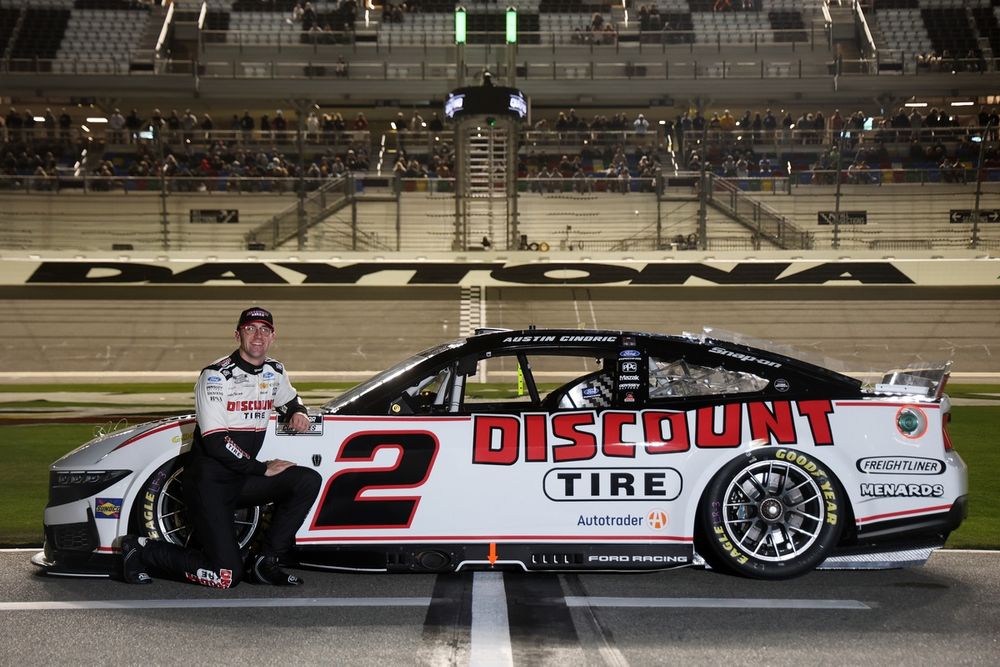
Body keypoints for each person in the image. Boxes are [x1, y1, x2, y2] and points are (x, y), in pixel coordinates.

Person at [120, 307, 321, 588]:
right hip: (208, 485)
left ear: (273, 336)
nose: (258, 335)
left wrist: (297, 412)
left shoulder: (275, 371)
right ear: (237, 334)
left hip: (240, 479)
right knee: (226, 576)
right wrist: (261, 468)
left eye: (264, 329)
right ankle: (139, 548)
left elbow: (289, 399)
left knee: (307, 480)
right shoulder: (215, 376)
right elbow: (216, 442)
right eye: (250, 329)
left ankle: (267, 562)